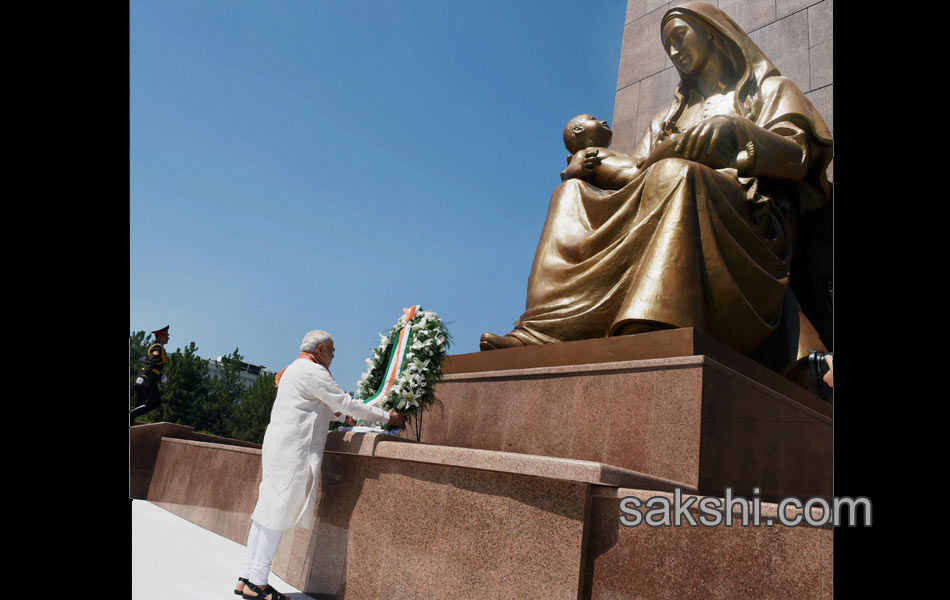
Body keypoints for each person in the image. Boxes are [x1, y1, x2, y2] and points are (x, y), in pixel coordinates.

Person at [481, 1, 832, 376]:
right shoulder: (669, 116)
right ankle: (544, 327)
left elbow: (797, 155)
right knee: (569, 195)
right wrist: (587, 170)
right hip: (673, 196)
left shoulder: (767, 91)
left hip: (752, 223)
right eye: (668, 48)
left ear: (712, 32)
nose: (676, 51)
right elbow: (637, 172)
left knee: (675, 175)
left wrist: (738, 132)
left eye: (680, 37)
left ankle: (653, 323)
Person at [234, 330, 406, 600]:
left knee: (265, 511)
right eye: (332, 350)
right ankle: (258, 582)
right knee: (276, 513)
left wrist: (345, 418)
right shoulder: (315, 372)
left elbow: (316, 408)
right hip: (293, 450)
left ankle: (246, 577)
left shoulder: (294, 369)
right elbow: (345, 402)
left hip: (279, 447)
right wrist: (387, 417)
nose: (334, 355)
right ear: (321, 349)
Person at [130, 325, 169, 425]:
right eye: (166, 335)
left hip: (145, 380)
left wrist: (161, 375)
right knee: (155, 403)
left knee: (138, 406)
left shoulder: (159, 347)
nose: (168, 337)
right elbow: (150, 362)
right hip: (147, 380)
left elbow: (155, 366)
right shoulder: (157, 347)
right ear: (160, 336)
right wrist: (143, 376)